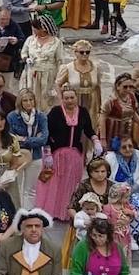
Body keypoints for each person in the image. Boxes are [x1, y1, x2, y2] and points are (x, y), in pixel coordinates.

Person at [38, 86, 99, 222]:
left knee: (71, 184)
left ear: (76, 98)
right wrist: (47, 154)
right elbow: (46, 133)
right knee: (55, 184)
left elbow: (89, 130)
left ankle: (67, 212)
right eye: (66, 98)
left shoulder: (82, 112)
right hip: (57, 155)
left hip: (75, 154)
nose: (69, 100)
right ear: (62, 99)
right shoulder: (55, 112)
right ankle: (52, 211)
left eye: (72, 97)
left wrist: (96, 140)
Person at [7, 90, 49, 208]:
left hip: (35, 156)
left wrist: (24, 140)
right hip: (18, 156)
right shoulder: (12, 117)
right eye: (25, 100)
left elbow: (44, 139)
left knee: (30, 189)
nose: (28, 103)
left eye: (31, 100)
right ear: (20, 102)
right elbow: (11, 139)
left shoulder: (41, 117)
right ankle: (16, 212)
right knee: (17, 187)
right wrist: (34, 139)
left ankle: (27, 213)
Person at [56, 39, 104, 132]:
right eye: (81, 52)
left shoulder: (96, 67)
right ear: (75, 53)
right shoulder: (68, 68)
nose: (85, 54)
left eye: (87, 52)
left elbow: (98, 87)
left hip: (91, 102)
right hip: (75, 102)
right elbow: (58, 84)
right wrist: (61, 100)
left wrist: (99, 106)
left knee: (90, 126)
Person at [20, 17, 65, 110]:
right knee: (31, 97)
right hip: (32, 74)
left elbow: (60, 61)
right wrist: (26, 58)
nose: (33, 30)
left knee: (47, 99)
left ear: (43, 28)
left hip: (48, 75)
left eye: (35, 28)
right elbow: (23, 52)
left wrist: (59, 79)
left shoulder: (56, 42)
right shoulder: (30, 40)